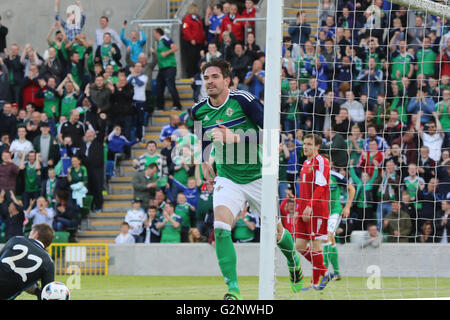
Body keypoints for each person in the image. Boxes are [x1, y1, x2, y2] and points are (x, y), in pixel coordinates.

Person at [191, 59, 305, 299]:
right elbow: (202, 135)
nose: (210, 81)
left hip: (258, 175)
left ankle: (293, 258)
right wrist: (204, 158)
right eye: (206, 78)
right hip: (228, 177)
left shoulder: (244, 101)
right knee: (221, 228)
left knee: (276, 233)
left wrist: (237, 139)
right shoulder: (198, 109)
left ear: (227, 80)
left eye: (214, 77)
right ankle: (233, 289)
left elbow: (272, 135)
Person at [0, 223, 55, 300]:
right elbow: (47, 293)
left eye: (30, 233)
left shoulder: (16, 239)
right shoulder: (49, 262)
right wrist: (36, 291)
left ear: (36, 235)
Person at [323, 167, 355, 281]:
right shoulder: (314, 176)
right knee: (331, 241)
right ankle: (336, 273)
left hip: (335, 211)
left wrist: (347, 207)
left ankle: (323, 273)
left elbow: (351, 189)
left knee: (327, 236)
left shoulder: (336, 176)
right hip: (321, 213)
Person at [79, 122, 106, 213]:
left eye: (91, 134)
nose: (89, 135)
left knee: (97, 188)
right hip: (86, 169)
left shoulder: (98, 142)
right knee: (88, 188)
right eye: (88, 134)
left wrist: (103, 120)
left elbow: (102, 132)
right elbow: (78, 156)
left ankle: (98, 206)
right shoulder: (82, 144)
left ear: (94, 135)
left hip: (97, 169)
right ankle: (90, 207)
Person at [152, 28, 181, 111]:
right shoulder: (159, 42)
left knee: (171, 86)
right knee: (159, 87)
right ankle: (160, 106)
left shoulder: (165, 39)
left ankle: (177, 105)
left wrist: (166, 53)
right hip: (162, 68)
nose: (153, 35)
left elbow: (175, 47)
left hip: (169, 67)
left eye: (154, 33)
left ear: (158, 33)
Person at [182, 3, 206, 78]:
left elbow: (201, 30)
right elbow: (185, 30)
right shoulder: (187, 20)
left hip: (199, 42)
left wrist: (203, 39)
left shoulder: (198, 19)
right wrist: (191, 38)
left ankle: (196, 73)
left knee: (197, 58)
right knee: (191, 58)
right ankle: (190, 74)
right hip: (191, 43)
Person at [127, 62, 148, 142]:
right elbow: (126, 84)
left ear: (142, 68)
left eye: (140, 66)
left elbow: (140, 84)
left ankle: (141, 136)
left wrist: (134, 76)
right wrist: (132, 76)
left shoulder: (144, 77)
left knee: (141, 120)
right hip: (131, 101)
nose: (138, 68)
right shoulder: (130, 76)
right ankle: (133, 137)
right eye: (136, 66)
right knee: (132, 120)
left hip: (141, 100)